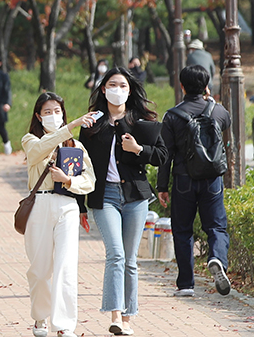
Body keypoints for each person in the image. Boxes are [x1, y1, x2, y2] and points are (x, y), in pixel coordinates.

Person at [79, 67, 167, 336]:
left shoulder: (141, 122)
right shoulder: (92, 124)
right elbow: (82, 166)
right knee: (115, 254)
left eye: (123, 85)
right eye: (113, 84)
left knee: (130, 258)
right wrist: (81, 205)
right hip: (104, 196)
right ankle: (115, 315)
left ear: (130, 91)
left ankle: (128, 317)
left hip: (135, 197)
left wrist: (138, 149)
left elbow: (162, 155)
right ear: (103, 89)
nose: (118, 89)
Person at [22, 92, 97, 337]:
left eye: (57, 112)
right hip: (39, 207)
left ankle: (63, 324)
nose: (53, 116)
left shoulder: (75, 146)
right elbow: (38, 151)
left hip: (67, 206)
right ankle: (39, 316)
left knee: (66, 266)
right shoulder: (30, 140)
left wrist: (68, 181)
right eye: (47, 112)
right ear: (38, 116)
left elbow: (89, 180)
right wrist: (72, 126)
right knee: (40, 269)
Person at [156, 65, 232, 297]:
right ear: (207, 85)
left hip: (183, 180)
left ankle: (186, 284)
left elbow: (165, 155)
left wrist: (162, 186)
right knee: (216, 226)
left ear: (181, 86)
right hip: (211, 180)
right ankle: (217, 258)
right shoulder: (219, 112)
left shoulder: (172, 116)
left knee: (182, 230)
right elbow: (225, 137)